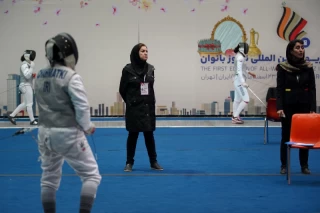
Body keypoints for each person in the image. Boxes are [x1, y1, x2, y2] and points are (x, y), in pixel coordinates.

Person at [34, 32, 101, 213]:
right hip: (67, 134)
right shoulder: (71, 76)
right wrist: (87, 127)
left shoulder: (39, 75)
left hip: (44, 134)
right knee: (91, 176)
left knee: (48, 178)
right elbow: (82, 107)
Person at [119, 43, 163, 172]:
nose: (145, 53)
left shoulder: (150, 69)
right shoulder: (128, 70)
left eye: (147, 51)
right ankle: (129, 163)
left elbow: (150, 88)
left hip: (147, 107)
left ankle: (153, 162)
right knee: (133, 135)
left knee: (149, 135)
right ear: (136, 53)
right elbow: (122, 89)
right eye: (142, 51)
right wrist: (131, 102)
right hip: (134, 108)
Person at [276, 39, 316, 175]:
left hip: (304, 107)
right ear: (291, 51)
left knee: (304, 137)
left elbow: (312, 89)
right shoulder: (283, 67)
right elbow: (280, 89)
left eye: (302, 47)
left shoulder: (308, 67)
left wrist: (312, 108)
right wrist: (279, 107)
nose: (301, 50)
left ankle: (304, 165)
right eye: (298, 47)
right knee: (285, 136)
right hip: (287, 107)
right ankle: (284, 165)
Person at [8, 50, 38, 125]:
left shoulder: (26, 64)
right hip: (26, 85)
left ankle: (12, 115)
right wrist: (32, 68)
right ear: (28, 56)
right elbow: (27, 75)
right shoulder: (24, 64)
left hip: (26, 85)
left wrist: (32, 74)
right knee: (29, 104)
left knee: (25, 103)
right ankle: (32, 120)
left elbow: (28, 75)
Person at [232, 42, 256, 124]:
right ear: (243, 49)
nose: (248, 50)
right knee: (246, 100)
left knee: (237, 100)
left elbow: (243, 68)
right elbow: (239, 71)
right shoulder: (240, 57)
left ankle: (235, 117)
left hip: (237, 80)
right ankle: (235, 117)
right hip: (239, 81)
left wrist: (249, 73)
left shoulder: (240, 56)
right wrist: (243, 82)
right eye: (247, 48)